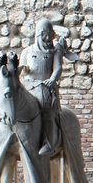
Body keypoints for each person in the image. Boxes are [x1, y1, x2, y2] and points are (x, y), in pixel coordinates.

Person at [20, 17, 75, 157]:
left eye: (51, 32)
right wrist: (21, 70)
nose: (51, 36)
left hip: (45, 87)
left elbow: (58, 68)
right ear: (41, 33)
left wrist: (52, 80)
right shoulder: (27, 51)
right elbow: (22, 68)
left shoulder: (54, 51)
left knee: (47, 110)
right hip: (29, 86)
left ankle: (48, 142)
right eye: (48, 32)